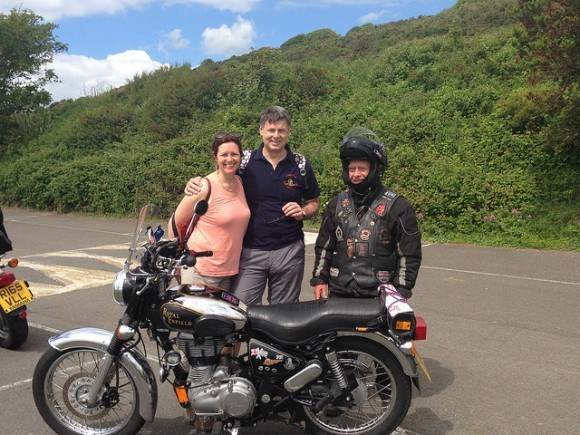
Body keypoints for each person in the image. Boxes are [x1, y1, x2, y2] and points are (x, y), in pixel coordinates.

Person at [185, 106, 320, 305]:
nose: (276, 135)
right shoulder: (245, 161)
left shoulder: (300, 164)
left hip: (289, 250)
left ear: (288, 132)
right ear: (261, 130)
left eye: (281, 130)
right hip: (250, 250)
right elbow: (220, 178)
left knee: (284, 314)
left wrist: (303, 211)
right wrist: (196, 182)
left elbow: (314, 203)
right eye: (271, 130)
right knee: (242, 309)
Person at [311, 127, 421, 300]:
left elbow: (409, 253)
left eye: (362, 168)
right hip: (339, 292)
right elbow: (324, 246)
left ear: (375, 169)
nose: (356, 174)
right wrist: (319, 278)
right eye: (352, 168)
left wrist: (401, 290)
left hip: (380, 294)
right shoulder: (335, 205)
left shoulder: (398, 207)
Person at [169, 132, 250, 291]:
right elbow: (175, 222)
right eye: (224, 155)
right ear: (215, 157)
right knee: (197, 315)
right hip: (200, 270)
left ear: (240, 156)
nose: (229, 159)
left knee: (222, 316)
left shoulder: (240, 182)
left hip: (229, 271)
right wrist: (178, 261)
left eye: (234, 154)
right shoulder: (204, 186)